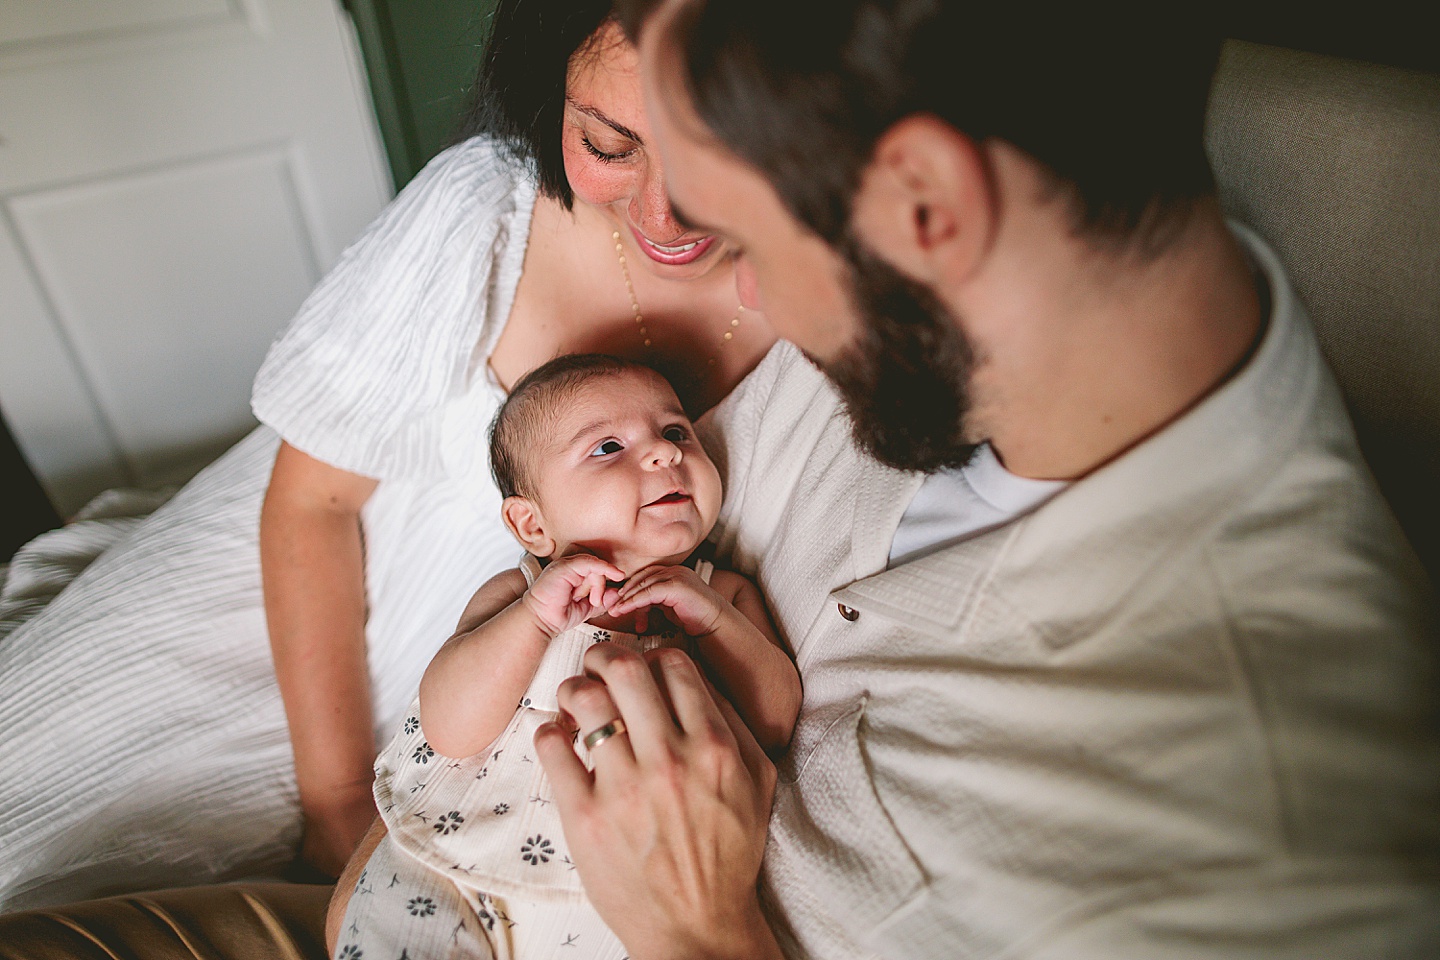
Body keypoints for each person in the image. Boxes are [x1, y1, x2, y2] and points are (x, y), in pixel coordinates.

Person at [511, 3, 1440, 958]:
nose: (751, 298)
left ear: (926, 207)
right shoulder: (925, 345)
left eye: (744, 238)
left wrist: (699, 934)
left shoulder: (1259, 872)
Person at [0, 0, 774, 911]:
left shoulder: (831, 307)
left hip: (459, 751)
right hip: (270, 603)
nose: (663, 210)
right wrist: (334, 803)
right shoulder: (487, 213)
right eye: (609, 145)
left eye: (720, 152)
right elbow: (310, 504)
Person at [327, 354, 799, 960]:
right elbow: (448, 728)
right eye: (607, 448)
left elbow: (774, 724)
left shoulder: (723, 594)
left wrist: (711, 619)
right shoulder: (515, 596)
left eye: (676, 432)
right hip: (451, 866)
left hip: (625, 892)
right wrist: (533, 620)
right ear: (532, 524)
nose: (664, 454)